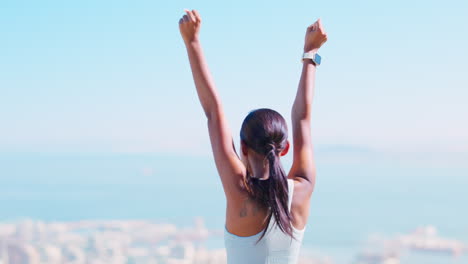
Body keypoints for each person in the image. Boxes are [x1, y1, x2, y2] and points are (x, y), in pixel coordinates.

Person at [179, 9, 327, 264]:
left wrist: (192, 42)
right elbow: (303, 117)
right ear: (285, 148)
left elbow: (214, 112)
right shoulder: (303, 188)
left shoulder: (240, 190)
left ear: (243, 148)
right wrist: (310, 54)